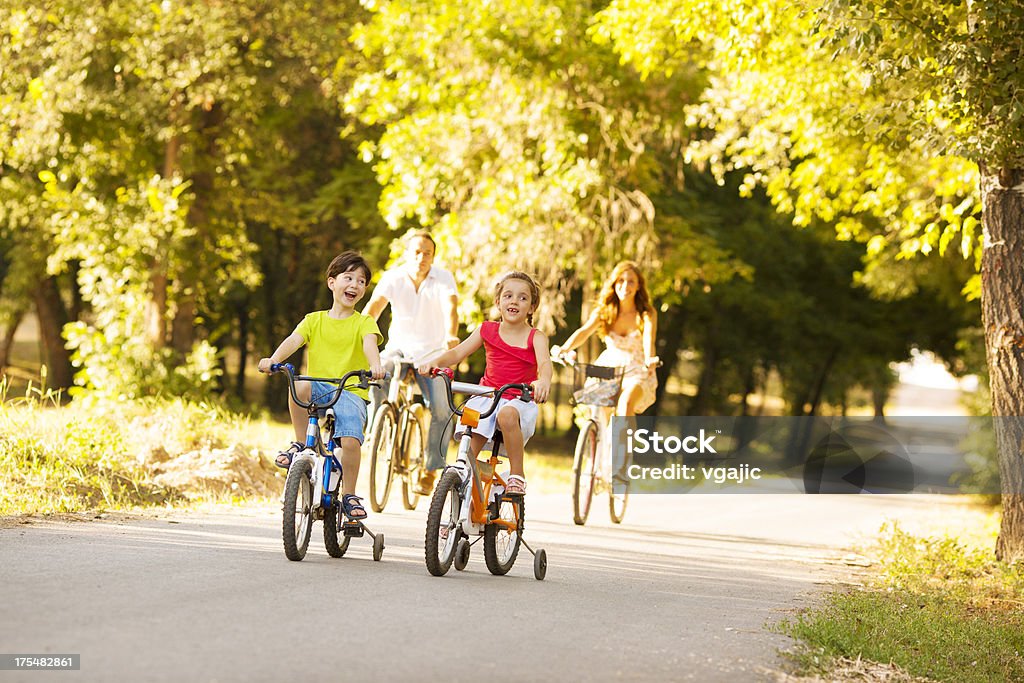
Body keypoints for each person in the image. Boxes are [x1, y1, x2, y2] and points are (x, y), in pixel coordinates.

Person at [258, 251, 385, 521]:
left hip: (349, 390)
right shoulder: (314, 319)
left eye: (361, 281)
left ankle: (349, 494)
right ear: (332, 283)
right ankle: (301, 443)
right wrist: (273, 360)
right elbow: (294, 340)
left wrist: (376, 366)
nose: (354, 285)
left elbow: (369, 344)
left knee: (350, 441)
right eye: (348, 278)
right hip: (319, 388)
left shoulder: (364, 322)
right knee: (299, 384)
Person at [418, 271, 552, 496]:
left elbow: (545, 364)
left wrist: (543, 381)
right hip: (487, 397)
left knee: (506, 415)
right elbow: (457, 353)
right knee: (468, 451)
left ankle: (517, 475)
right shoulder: (486, 330)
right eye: (508, 296)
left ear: (531, 307)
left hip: (518, 400)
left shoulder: (536, 337)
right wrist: (434, 362)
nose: (514, 301)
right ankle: (454, 512)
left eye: (523, 298)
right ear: (498, 302)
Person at [363, 230, 460, 495]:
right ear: (407, 254)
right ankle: (375, 430)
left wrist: (451, 336)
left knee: (442, 409)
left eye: (427, 253)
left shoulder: (443, 278)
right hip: (398, 350)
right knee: (375, 375)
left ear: (433, 256)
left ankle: (431, 468)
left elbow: (451, 309)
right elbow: (374, 307)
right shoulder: (393, 277)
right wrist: (360, 329)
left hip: (432, 355)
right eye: (416, 252)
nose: (421, 257)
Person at [552, 261, 659, 417]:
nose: (625, 285)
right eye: (621, 280)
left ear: (638, 286)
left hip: (637, 369)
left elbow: (649, 339)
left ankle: (621, 442)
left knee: (626, 403)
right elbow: (584, 331)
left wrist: (650, 360)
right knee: (598, 412)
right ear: (614, 284)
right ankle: (596, 439)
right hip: (609, 368)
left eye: (631, 281)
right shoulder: (605, 311)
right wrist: (564, 348)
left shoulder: (646, 314)